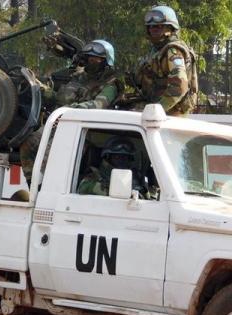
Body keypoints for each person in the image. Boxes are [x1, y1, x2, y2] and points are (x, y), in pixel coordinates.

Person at [20, 39, 122, 187]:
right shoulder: (77, 77)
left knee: (49, 157)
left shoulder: (110, 83)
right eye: (89, 57)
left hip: (80, 130)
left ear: (106, 61)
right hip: (57, 123)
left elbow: (99, 105)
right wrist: (36, 85)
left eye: (97, 58)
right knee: (28, 145)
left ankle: (48, 190)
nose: (92, 61)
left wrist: (72, 109)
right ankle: (35, 187)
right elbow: (58, 98)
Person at [134, 5, 198, 116]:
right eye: (150, 26)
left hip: (171, 114)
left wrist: (157, 110)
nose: (153, 29)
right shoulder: (155, 51)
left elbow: (180, 86)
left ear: (170, 28)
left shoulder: (173, 50)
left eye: (158, 26)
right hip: (158, 111)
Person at [78, 136, 148, 197]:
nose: (122, 161)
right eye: (117, 157)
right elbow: (86, 188)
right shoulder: (92, 178)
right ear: (107, 158)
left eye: (125, 157)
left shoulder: (132, 176)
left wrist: (142, 188)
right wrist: (132, 190)